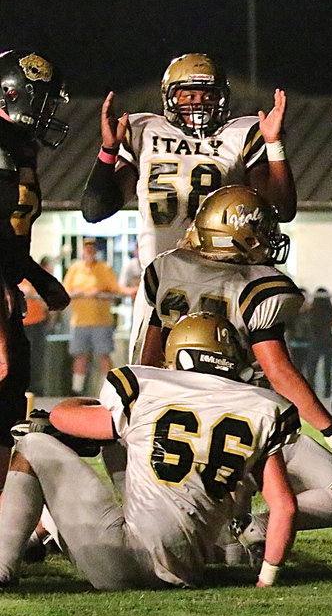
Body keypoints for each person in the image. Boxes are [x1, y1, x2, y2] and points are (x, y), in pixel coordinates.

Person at [0, 312, 297, 589]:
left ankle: (3, 565)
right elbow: (285, 507)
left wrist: (80, 405)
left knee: (33, 442)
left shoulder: (146, 386)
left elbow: (61, 417)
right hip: (187, 569)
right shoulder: (262, 407)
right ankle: (40, 535)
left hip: (123, 561)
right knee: (120, 440)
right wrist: (267, 578)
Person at [139, 186, 332, 545]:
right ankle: (252, 529)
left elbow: (148, 359)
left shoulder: (166, 268)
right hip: (245, 420)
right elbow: (278, 371)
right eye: (261, 230)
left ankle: (231, 532)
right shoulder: (261, 286)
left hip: (177, 419)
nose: (268, 238)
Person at [80, 52, 297, 363]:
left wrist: (274, 145)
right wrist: (109, 149)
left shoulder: (242, 134)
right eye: (189, 95)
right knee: (150, 378)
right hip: (159, 282)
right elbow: (95, 209)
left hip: (222, 280)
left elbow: (282, 209)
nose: (199, 103)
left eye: (208, 95)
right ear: (170, 97)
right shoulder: (144, 130)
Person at [0, 49, 72, 487]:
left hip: (8, 290)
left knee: (9, 410)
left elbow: (9, 236)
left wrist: (39, 278)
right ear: (12, 94)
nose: (47, 113)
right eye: (41, 101)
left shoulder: (19, 146)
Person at [62, 238, 122, 396]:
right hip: (79, 321)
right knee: (80, 356)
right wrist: (82, 293)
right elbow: (66, 290)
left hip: (101, 321)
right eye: (86, 247)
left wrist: (100, 293)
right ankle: (77, 390)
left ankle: (112, 390)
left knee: (104, 356)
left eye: (91, 248)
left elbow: (115, 289)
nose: (89, 251)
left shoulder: (104, 268)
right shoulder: (75, 268)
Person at [306, 288, 332, 397]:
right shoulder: (330, 311)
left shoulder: (313, 311)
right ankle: (327, 392)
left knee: (311, 368)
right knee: (327, 369)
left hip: (315, 340)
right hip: (328, 340)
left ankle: (311, 390)